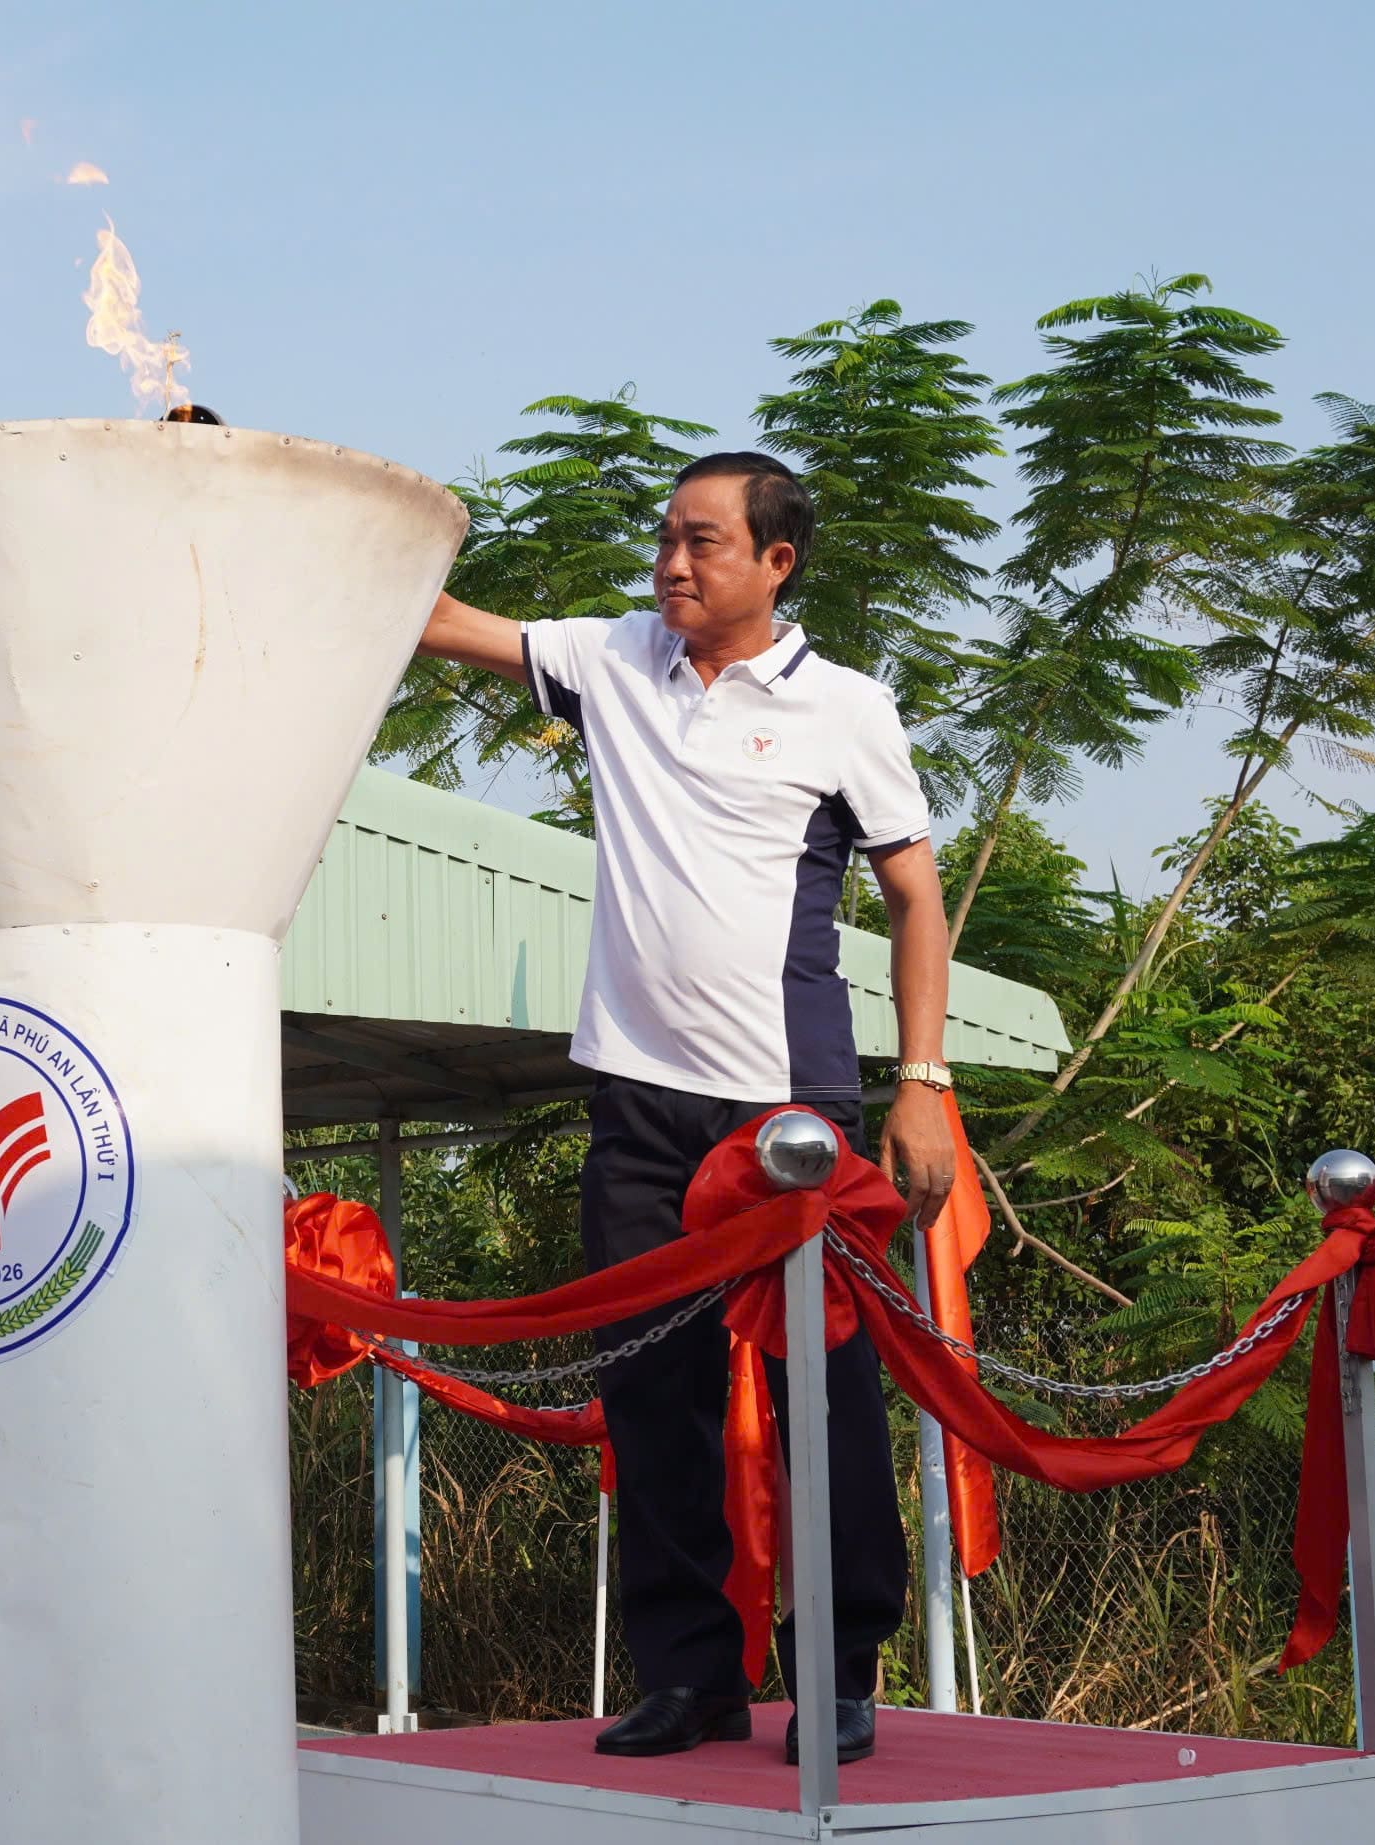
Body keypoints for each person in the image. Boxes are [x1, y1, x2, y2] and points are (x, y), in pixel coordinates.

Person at [416, 451, 957, 1768]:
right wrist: (259, 486)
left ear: (777, 561)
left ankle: (840, 1669)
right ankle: (690, 1676)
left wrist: (923, 1083)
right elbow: (431, 620)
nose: (670, 563)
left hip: (788, 1118)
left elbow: (915, 899)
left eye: (702, 541)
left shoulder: (845, 707)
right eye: (664, 537)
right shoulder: (613, 657)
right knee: (654, 1396)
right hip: (638, 1105)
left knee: (823, 1396)